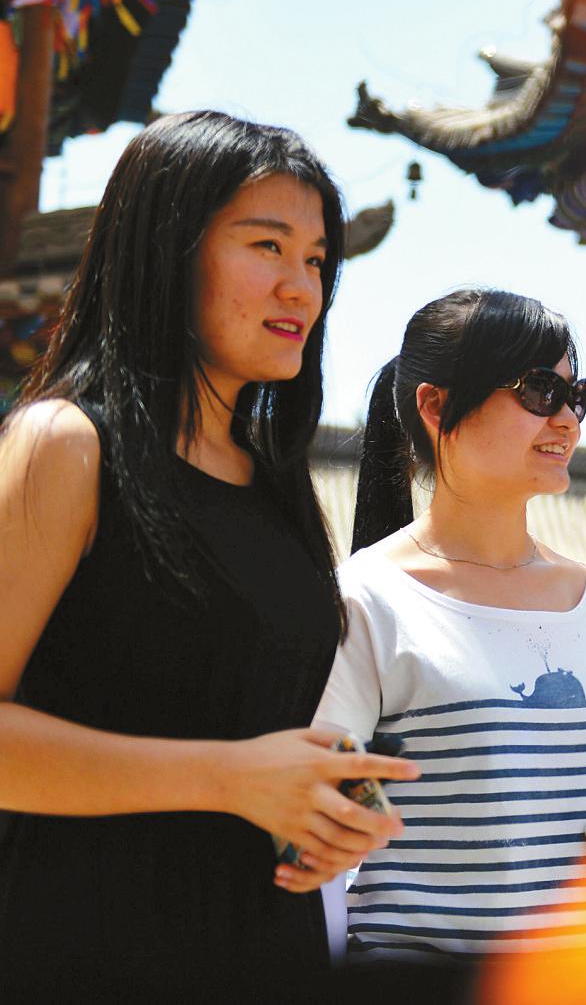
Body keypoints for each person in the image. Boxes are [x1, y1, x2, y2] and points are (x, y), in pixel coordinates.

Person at [0, 111, 418, 984]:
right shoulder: (66, 445)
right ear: (167, 249)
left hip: (265, 950)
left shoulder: (277, 485)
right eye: (268, 246)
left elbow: (249, 725)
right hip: (84, 951)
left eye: (317, 261)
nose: (301, 289)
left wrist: (329, 805)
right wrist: (228, 778)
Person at [315, 288, 586, 962]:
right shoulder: (367, 598)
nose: (566, 420)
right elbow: (325, 819)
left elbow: (560, 806)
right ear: (435, 407)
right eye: (540, 391)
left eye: (575, 396)